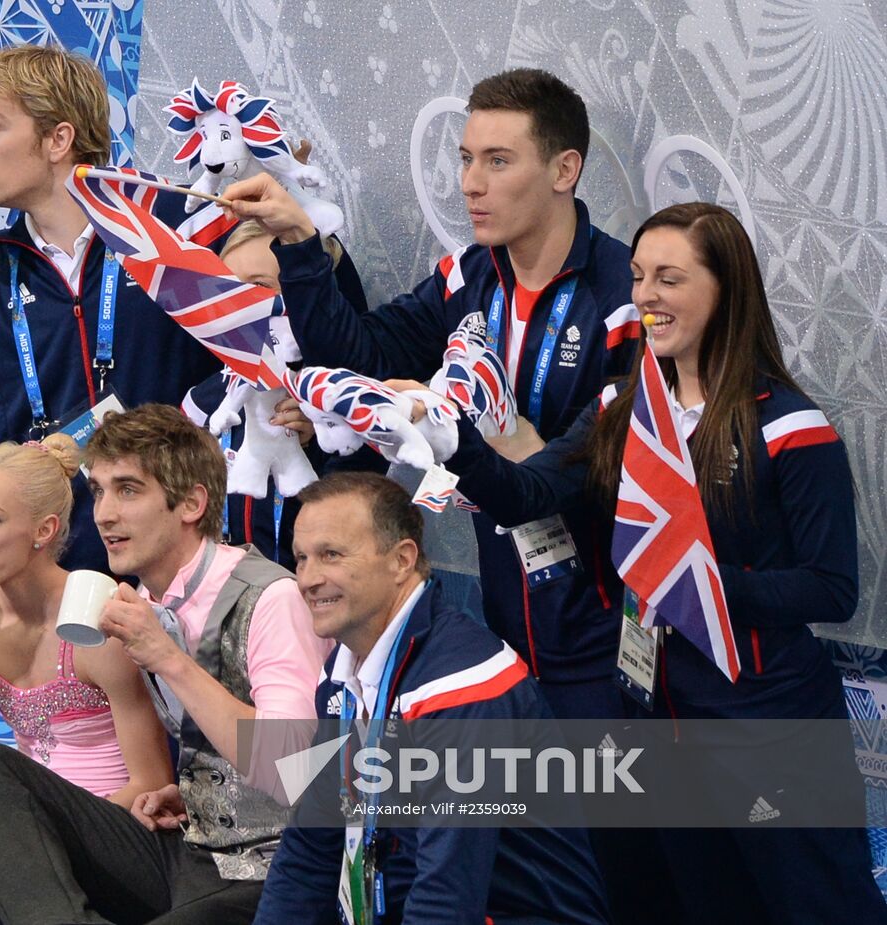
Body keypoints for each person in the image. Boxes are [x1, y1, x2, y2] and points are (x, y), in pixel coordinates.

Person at [428, 202, 887, 922]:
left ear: (726, 288)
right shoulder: (620, 403)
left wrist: (691, 586)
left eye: (669, 277)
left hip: (770, 724)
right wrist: (449, 441)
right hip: (659, 715)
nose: (645, 294)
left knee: (815, 902)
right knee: (697, 903)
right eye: (639, 275)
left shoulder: (792, 427)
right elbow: (531, 492)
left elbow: (831, 588)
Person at [222, 68, 640, 719]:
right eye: (467, 158)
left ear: (564, 169)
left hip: (607, 640)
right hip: (507, 625)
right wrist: (300, 243)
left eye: (498, 161)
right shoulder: (466, 276)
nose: (471, 182)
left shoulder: (625, 296)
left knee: (610, 817)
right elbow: (359, 353)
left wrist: (488, 447)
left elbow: (621, 471)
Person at [0, 44, 234, 574]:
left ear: (58, 139)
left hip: (188, 545)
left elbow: (283, 344)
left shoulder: (176, 223)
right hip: (57, 562)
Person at [0, 403, 327, 923]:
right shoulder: (143, 602)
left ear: (191, 503)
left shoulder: (270, 596)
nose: (103, 513)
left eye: (127, 490)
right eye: (99, 490)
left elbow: (293, 772)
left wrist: (170, 661)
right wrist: (186, 796)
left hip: (273, 871)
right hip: (190, 848)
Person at [255, 472, 609, 924]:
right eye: (302, 558)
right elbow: (310, 848)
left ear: (402, 559)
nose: (307, 578)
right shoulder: (342, 674)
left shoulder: (464, 686)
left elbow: (449, 894)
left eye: (331, 555)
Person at [0, 435, 174, 924]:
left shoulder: (97, 620)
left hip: (116, 829)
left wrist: (18, 848)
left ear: (43, 530)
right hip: (25, 824)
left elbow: (152, 781)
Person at [182, 219, 381, 568]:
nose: (236, 304)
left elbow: (362, 517)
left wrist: (317, 444)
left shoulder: (341, 401)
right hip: (219, 598)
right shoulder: (210, 397)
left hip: (309, 597)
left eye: (256, 287)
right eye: (226, 288)